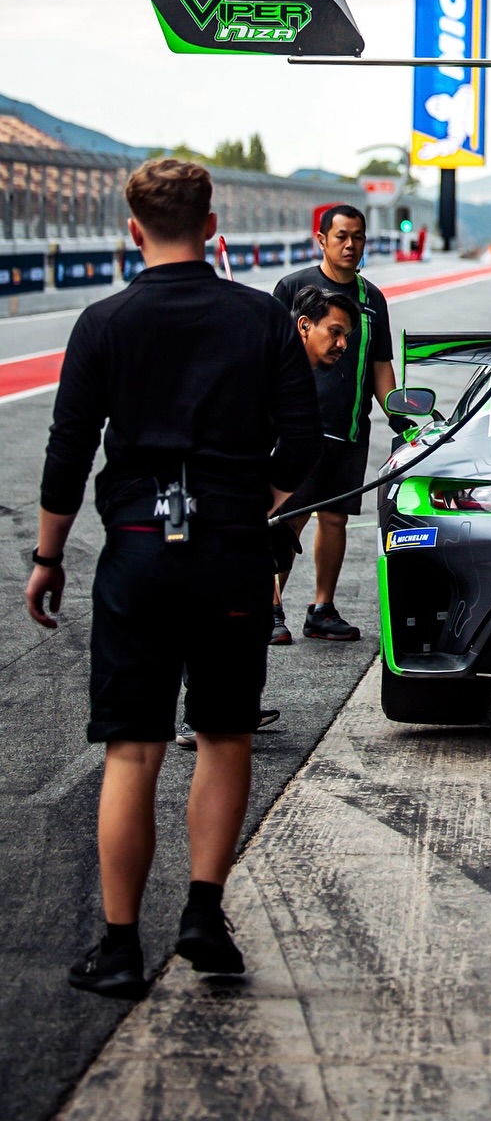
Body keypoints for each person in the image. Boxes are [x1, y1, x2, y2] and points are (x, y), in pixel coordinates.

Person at [26, 159, 321, 997]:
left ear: (132, 228)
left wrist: (48, 557)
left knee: (134, 747)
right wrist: (246, 500)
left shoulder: (103, 323)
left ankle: (119, 948)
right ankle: (202, 914)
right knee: (224, 734)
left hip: (136, 549)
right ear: (213, 223)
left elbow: (68, 449)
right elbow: (303, 445)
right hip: (229, 550)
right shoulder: (261, 318)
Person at [272, 205, 396, 643]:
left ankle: (321, 609)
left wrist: (400, 416)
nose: (350, 245)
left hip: (350, 430)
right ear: (321, 240)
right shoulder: (292, 288)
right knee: (287, 519)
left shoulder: (372, 300)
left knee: (335, 518)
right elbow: (269, 353)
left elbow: (381, 366)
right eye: (341, 236)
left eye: (358, 237)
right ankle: (270, 607)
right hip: (296, 431)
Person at [271, 287, 357, 638]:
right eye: (334, 332)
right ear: (304, 325)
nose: (342, 345)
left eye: (346, 336)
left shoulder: (296, 376)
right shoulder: (268, 368)